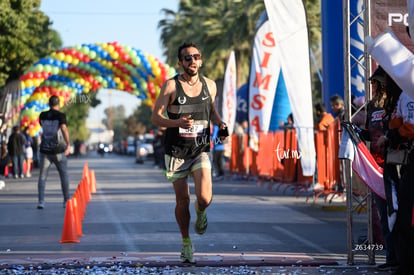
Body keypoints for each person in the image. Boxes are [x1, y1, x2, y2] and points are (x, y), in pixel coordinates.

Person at [151, 42, 227, 263]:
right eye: (187, 58)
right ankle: (186, 243)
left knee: (204, 197)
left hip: (201, 148)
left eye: (196, 57)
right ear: (180, 63)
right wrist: (177, 123)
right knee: (182, 200)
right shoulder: (170, 87)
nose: (192, 61)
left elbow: (212, 112)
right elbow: (155, 118)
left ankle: (201, 211)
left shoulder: (210, 85)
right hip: (176, 151)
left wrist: (222, 124)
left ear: (200, 60)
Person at [360, 66, 399, 271]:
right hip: (376, 167)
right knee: (383, 215)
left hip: (394, 165)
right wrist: (356, 132)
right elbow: (369, 134)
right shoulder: (371, 107)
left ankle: (401, 257)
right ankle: (391, 258)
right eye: (372, 82)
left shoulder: (393, 105)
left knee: (397, 214)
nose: (372, 85)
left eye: (375, 82)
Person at [37, 95, 71, 209]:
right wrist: (68, 144)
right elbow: (64, 128)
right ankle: (66, 200)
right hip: (58, 151)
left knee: (42, 177)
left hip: (44, 150)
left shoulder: (42, 115)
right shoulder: (61, 116)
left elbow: (42, 126)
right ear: (58, 104)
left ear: (49, 104)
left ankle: (41, 201)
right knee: (64, 176)